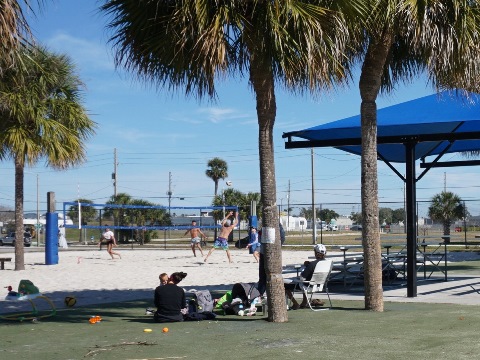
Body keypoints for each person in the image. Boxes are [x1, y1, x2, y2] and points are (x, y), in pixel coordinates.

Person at [284, 243, 327, 309]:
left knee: (285, 285)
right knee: (306, 280)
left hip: (308, 286)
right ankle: (304, 302)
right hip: (320, 285)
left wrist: (307, 267)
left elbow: (302, 277)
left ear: (316, 253)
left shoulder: (312, 264)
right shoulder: (326, 263)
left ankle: (295, 304)